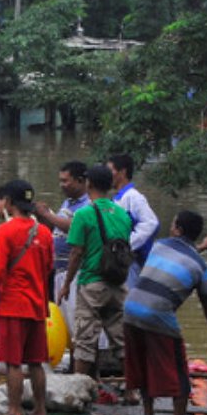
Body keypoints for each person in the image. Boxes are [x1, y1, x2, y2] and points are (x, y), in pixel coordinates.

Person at [123, 210, 207, 415]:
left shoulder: (159, 246)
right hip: (157, 316)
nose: (170, 227)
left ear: (178, 230)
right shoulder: (202, 270)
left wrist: (202, 247)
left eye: (173, 223)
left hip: (130, 310)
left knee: (145, 364)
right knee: (180, 374)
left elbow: (180, 256)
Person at [0, 180, 55, 415]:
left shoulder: (5, 231)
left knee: (13, 362)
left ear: (9, 203)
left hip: (13, 304)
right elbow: (49, 268)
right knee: (36, 362)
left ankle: (14, 413)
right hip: (36, 305)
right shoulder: (44, 232)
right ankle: (40, 410)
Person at [59, 164, 133, 376]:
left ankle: (79, 388)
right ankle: (131, 390)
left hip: (92, 282)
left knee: (84, 339)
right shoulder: (122, 214)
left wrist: (66, 285)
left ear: (88, 183)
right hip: (118, 283)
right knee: (120, 339)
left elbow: (76, 253)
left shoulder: (83, 214)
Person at [35, 160, 91, 332]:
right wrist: (44, 217)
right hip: (60, 271)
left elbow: (75, 227)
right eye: (61, 181)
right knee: (65, 323)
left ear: (81, 181)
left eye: (66, 181)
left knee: (77, 323)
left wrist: (47, 214)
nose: (62, 185)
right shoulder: (68, 202)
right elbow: (58, 229)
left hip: (76, 272)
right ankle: (73, 356)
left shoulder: (89, 203)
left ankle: (81, 357)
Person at [107, 154, 160, 288]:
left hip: (130, 261)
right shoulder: (117, 199)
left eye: (110, 170)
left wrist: (127, 245)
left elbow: (151, 223)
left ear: (122, 172)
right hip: (118, 262)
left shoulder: (133, 197)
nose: (108, 175)